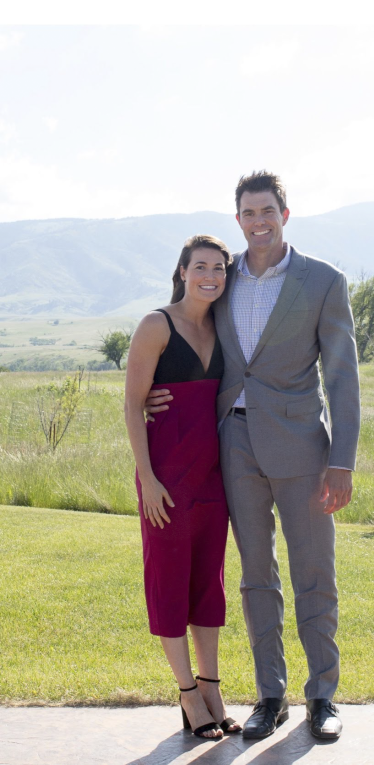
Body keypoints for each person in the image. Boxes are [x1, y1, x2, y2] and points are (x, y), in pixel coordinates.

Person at [146, 171, 360, 741]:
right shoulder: (222, 277)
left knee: (314, 573)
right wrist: (148, 394)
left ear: (284, 215)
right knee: (255, 576)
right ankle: (271, 696)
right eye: (248, 213)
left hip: (302, 448)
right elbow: (179, 332)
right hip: (233, 447)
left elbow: (342, 376)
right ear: (238, 219)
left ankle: (323, 696)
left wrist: (342, 460)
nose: (258, 222)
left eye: (267, 211)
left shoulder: (323, 281)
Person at [124, 234, 241, 740]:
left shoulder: (223, 325)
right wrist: (147, 479)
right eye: (200, 266)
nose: (209, 275)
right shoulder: (156, 325)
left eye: (218, 267)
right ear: (182, 271)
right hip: (166, 477)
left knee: (209, 583)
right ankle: (188, 694)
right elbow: (132, 406)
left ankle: (212, 687)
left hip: (213, 473)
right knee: (169, 581)